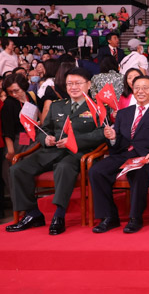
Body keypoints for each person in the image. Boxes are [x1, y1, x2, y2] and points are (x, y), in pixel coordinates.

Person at [6, 68, 105, 235]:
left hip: (79, 154)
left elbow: (101, 133)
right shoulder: (57, 105)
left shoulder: (98, 107)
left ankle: (59, 215)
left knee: (63, 168)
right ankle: (32, 213)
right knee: (17, 169)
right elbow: (43, 130)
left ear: (88, 85)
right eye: (69, 84)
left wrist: (74, 141)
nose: (73, 87)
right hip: (51, 151)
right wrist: (46, 139)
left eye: (78, 83)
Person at [88, 76, 149, 234]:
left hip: (146, 157)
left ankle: (135, 218)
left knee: (138, 172)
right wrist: (113, 137)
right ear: (132, 91)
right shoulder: (123, 113)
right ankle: (109, 217)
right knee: (96, 171)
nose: (140, 91)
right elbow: (118, 140)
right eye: (137, 88)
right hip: (123, 154)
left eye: (145, 88)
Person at [2, 73, 38, 162]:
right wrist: (10, 151)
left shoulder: (30, 96)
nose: (14, 94)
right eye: (10, 92)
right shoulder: (9, 103)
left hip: (33, 137)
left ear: (23, 87)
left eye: (16, 90)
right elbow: (7, 128)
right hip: (18, 141)